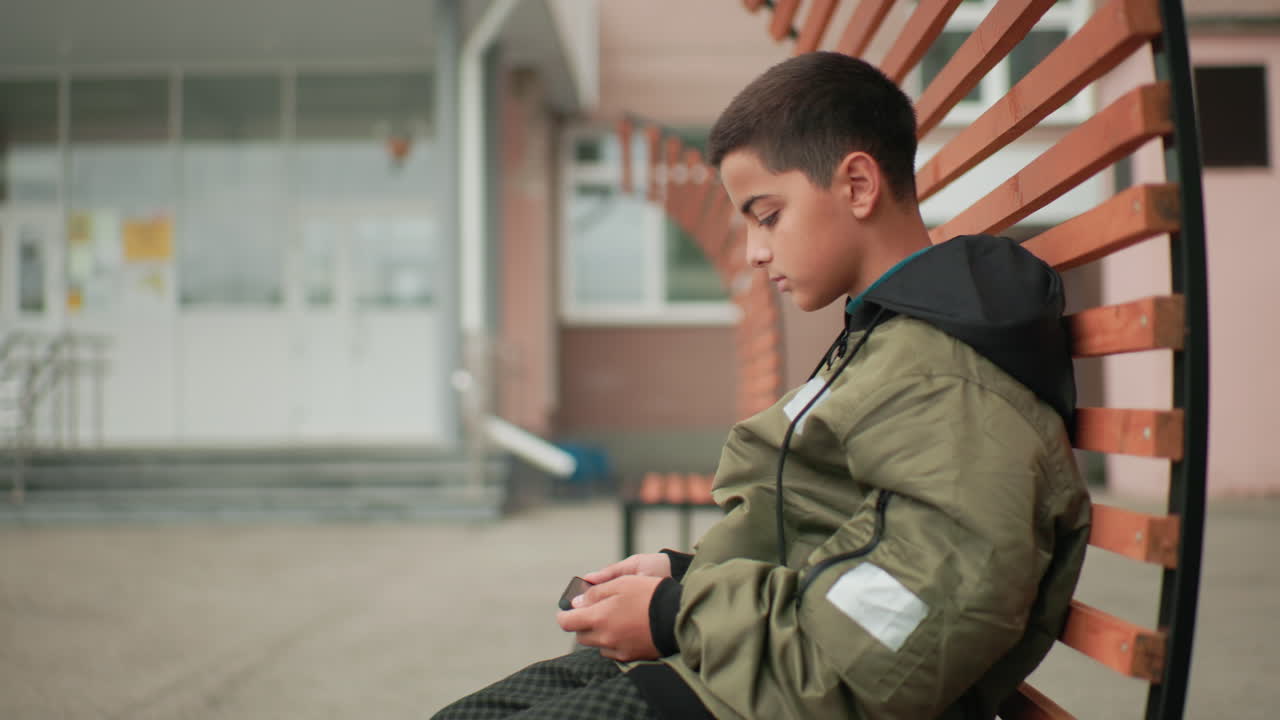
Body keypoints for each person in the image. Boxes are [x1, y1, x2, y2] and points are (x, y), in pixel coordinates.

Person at [433, 51, 1090, 720]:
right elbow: (837, 542)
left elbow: (885, 644)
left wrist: (675, 616)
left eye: (767, 215)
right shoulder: (889, 343)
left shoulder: (953, 382)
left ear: (858, 185)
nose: (753, 250)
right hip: (745, 676)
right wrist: (686, 580)